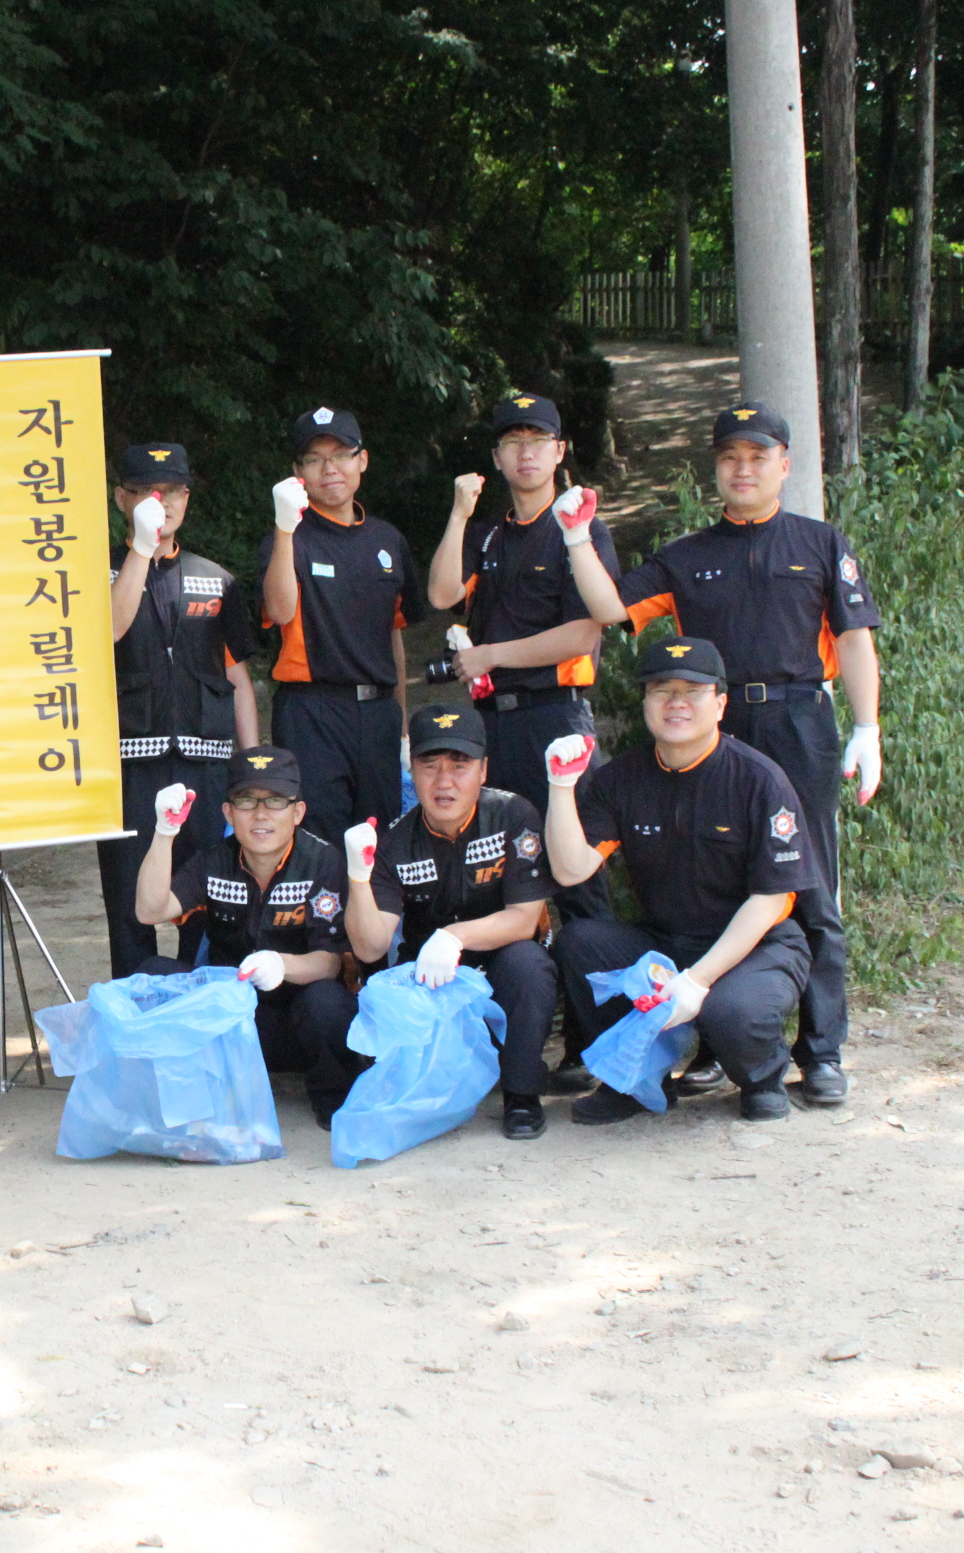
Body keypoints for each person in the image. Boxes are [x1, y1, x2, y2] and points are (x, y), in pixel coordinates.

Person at [558, 402, 881, 1106]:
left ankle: (820, 1053)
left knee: (811, 889)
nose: (743, 468)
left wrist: (868, 727)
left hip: (797, 719)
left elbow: (854, 638)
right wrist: (579, 538)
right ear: (716, 468)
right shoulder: (687, 556)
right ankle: (709, 1045)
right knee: (703, 879)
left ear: (784, 465)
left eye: (758, 456)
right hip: (709, 729)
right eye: (731, 457)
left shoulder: (821, 543)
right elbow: (610, 609)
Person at [424, 391, 619, 1091]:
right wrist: (458, 513)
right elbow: (441, 593)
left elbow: (585, 633)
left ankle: (596, 1047)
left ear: (559, 451)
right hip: (491, 726)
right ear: (498, 456)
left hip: (554, 720)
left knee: (576, 877)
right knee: (499, 877)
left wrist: (493, 655)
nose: (526, 453)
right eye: (513, 442)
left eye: (538, 440)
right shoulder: (490, 534)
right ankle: (513, 1044)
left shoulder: (579, 526)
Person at [540, 637, 816, 1125]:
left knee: (730, 1012)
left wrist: (697, 979)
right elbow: (570, 869)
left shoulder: (759, 779)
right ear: (645, 701)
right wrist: (561, 786)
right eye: (662, 690)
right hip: (666, 941)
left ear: (721, 704)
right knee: (581, 944)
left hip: (757, 946)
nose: (676, 703)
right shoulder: (621, 778)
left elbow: (771, 900)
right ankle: (637, 1081)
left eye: (693, 691)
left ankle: (761, 1078)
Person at [341, 706, 560, 1139]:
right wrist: (357, 877)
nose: (444, 782)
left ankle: (521, 1095)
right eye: (430, 766)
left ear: (483, 770)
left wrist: (453, 936)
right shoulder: (394, 840)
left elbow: (524, 920)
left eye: (459, 766)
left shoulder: (513, 814)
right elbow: (369, 946)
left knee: (528, 964)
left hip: (501, 965)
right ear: (412, 770)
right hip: (432, 976)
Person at [132, 745, 361, 1129]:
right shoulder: (214, 860)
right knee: (153, 975)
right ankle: (179, 1096)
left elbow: (330, 962)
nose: (260, 814)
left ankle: (334, 1103)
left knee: (327, 1000)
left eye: (275, 801)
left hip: (296, 1024)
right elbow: (149, 911)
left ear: (297, 812)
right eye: (246, 801)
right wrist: (164, 833)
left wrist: (280, 964)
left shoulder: (323, 861)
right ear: (228, 812)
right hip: (229, 1021)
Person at [99, 440, 262, 977]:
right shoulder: (98, 573)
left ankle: (205, 1005)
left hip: (205, 767)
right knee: (130, 903)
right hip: (128, 767)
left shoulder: (216, 579)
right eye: (146, 491)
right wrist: (140, 551)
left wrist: (252, 765)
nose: (160, 502)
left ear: (187, 498)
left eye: (172, 491)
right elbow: (110, 630)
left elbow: (237, 677)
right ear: (122, 498)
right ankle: (134, 1007)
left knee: (208, 899)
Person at [259, 406, 426, 842]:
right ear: (298, 471)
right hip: (311, 711)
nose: (329, 468)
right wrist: (284, 528)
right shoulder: (286, 538)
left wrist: (401, 728)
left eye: (340, 455)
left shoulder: (388, 540)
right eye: (314, 459)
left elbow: (394, 636)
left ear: (362, 460)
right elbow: (279, 611)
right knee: (319, 843)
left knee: (379, 841)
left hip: (378, 712)